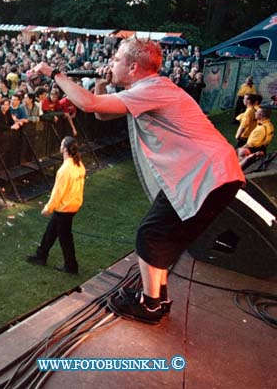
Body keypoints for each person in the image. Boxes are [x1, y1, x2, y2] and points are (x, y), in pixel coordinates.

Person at [35, 37, 244, 325]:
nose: (112, 62)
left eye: (117, 59)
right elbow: (99, 111)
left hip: (205, 174)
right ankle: (157, 299)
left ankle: (150, 306)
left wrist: (55, 74)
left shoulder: (151, 90)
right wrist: (101, 82)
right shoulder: (150, 88)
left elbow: (86, 104)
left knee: (150, 235)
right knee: (157, 235)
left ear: (133, 66)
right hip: (204, 174)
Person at [26, 137, 85, 274]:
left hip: (64, 208)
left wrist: (48, 208)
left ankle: (71, 266)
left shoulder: (65, 170)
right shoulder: (79, 165)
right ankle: (41, 255)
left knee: (65, 238)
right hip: (73, 205)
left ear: (64, 149)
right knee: (52, 231)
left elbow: (58, 192)